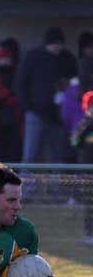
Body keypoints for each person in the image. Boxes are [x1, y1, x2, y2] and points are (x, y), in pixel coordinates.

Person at [16, 27, 77, 164]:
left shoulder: (68, 58)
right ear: (46, 44)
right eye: (53, 44)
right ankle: (26, 185)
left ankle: (58, 186)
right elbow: (20, 83)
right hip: (35, 114)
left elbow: (74, 84)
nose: (56, 47)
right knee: (30, 155)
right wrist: (28, 107)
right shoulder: (33, 57)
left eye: (59, 44)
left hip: (59, 116)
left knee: (58, 156)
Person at [70, 91, 93, 245]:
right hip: (88, 172)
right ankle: (89, 234)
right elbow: (75, 143)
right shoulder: (84, 124)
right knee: (90, 205)